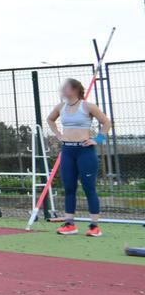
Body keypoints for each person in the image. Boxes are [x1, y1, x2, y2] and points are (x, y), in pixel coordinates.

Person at [46, 78, 112, 237]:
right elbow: (50, 119)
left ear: (75, 89)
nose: (62, 90)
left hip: (85, 151)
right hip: (67, 151)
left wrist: (97, 140)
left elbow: (106, 122)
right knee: (69, 188)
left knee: (89, 188)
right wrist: (58, 135)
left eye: (66, 87)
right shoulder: (61, 107)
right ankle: (70, 224)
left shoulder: (88, 106)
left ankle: (94, 226)